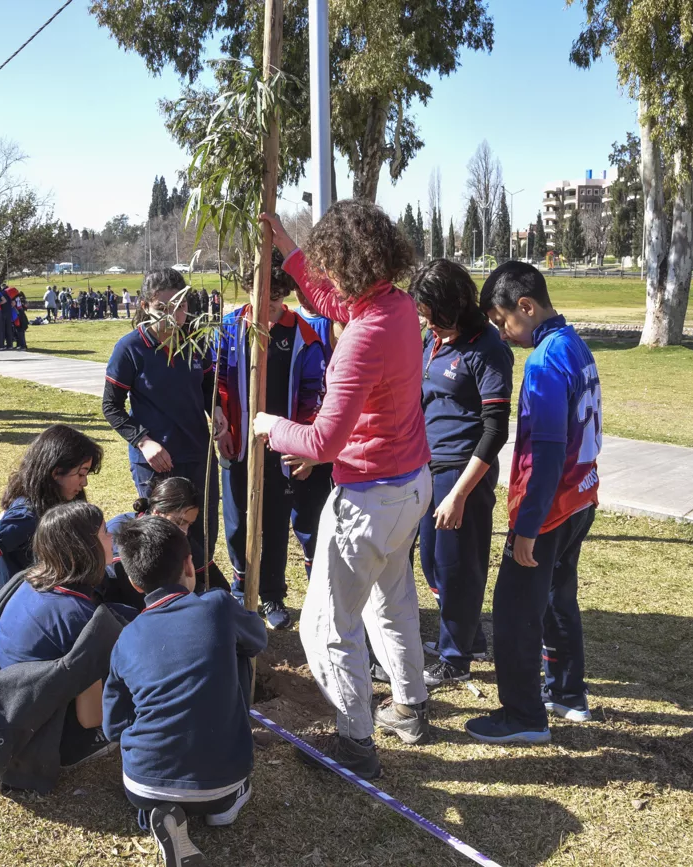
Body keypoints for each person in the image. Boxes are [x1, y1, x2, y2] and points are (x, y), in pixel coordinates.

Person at [255, 202, 431, 779]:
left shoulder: (361, 337)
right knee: (392, 597)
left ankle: (355, 743)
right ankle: (410, 704)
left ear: (346, 260)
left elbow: (325, 440)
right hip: (410, 486)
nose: (322, 272)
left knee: (327, 624)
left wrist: (269, 427)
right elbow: (328, 300)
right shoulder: (395, 305)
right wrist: (285, 243)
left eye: (326, 259)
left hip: (369, 499)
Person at [465, 261, 601, 745]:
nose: (503, 333)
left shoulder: (544, 362)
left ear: (526, 306)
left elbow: (545, 452)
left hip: (550, 508)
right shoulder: (575, 345)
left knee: (513, 610)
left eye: (503, 322)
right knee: (557, 597)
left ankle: (522, 715)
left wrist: (527, 527)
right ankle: (568, 693)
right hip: (581, 497)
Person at [103, 516, 266, 867]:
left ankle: (154, 816)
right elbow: (258, 640)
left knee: (150, 791)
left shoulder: (125, 638)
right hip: (222, 782)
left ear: (133, 582)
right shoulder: (219, 606)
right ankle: (223, 809)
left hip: (144, 784)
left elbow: (112, 727)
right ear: (190, 563)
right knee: (236, 652)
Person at [411, 259, 514, 687]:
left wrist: (459, 494)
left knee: (459, 567)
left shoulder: (486, 348)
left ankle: (455, 657)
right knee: (434, 563)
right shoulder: (433, 340)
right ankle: (469, 636)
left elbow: (495, 430)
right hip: (428, 468)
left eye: (432, 313)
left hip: (462, 473)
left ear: (453, 306)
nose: (426, 321)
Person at [217, 252, 326, 630]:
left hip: (281, 449)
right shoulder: (229, 327)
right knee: (236, 522)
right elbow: (213, 382)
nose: (269, 310)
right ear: (248, 290)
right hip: (237, 445)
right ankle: (240, 585)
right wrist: (220, 424)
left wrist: (300, 442)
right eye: (262, 299)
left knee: (276, 523)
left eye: (277, 301)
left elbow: (316, 394)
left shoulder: (304, 335)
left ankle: (273, 594)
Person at [103, 268, 229, 592]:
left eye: (181, 307)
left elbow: (206, 385)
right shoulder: (130, 348)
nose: (175, 316)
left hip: (199, 454)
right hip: (157, 462)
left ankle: (201, 596)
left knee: (203, 530)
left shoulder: (195, 341)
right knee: (165, 534)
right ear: (145, 305)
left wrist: (215, 410)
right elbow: (111, 407)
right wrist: (143, 442)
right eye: (164, 308)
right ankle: (168, 600)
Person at [0, 501, 120, 768]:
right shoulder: (81, 619)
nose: (112, 537)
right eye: (105, 532)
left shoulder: (29, 580)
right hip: (33, 739)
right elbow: (91, 717)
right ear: (85, 548)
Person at [0, 424, 103, 607]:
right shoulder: (27, 516)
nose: (84, 483)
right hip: (31, 612)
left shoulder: (52, 502)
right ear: (55, 472)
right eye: (80, 474)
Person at [289, 292, 338, 578]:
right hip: (307, 433)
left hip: (339, 430)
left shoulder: (339, 320)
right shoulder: (292, 325)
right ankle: (315, 573)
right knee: (308, 513)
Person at [105, 476, 203, 611]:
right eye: (180, 521)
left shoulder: (179, 535)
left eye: (189, 524)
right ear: (157, 513)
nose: (185, 531)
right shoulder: (120, 532)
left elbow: (214, 580)